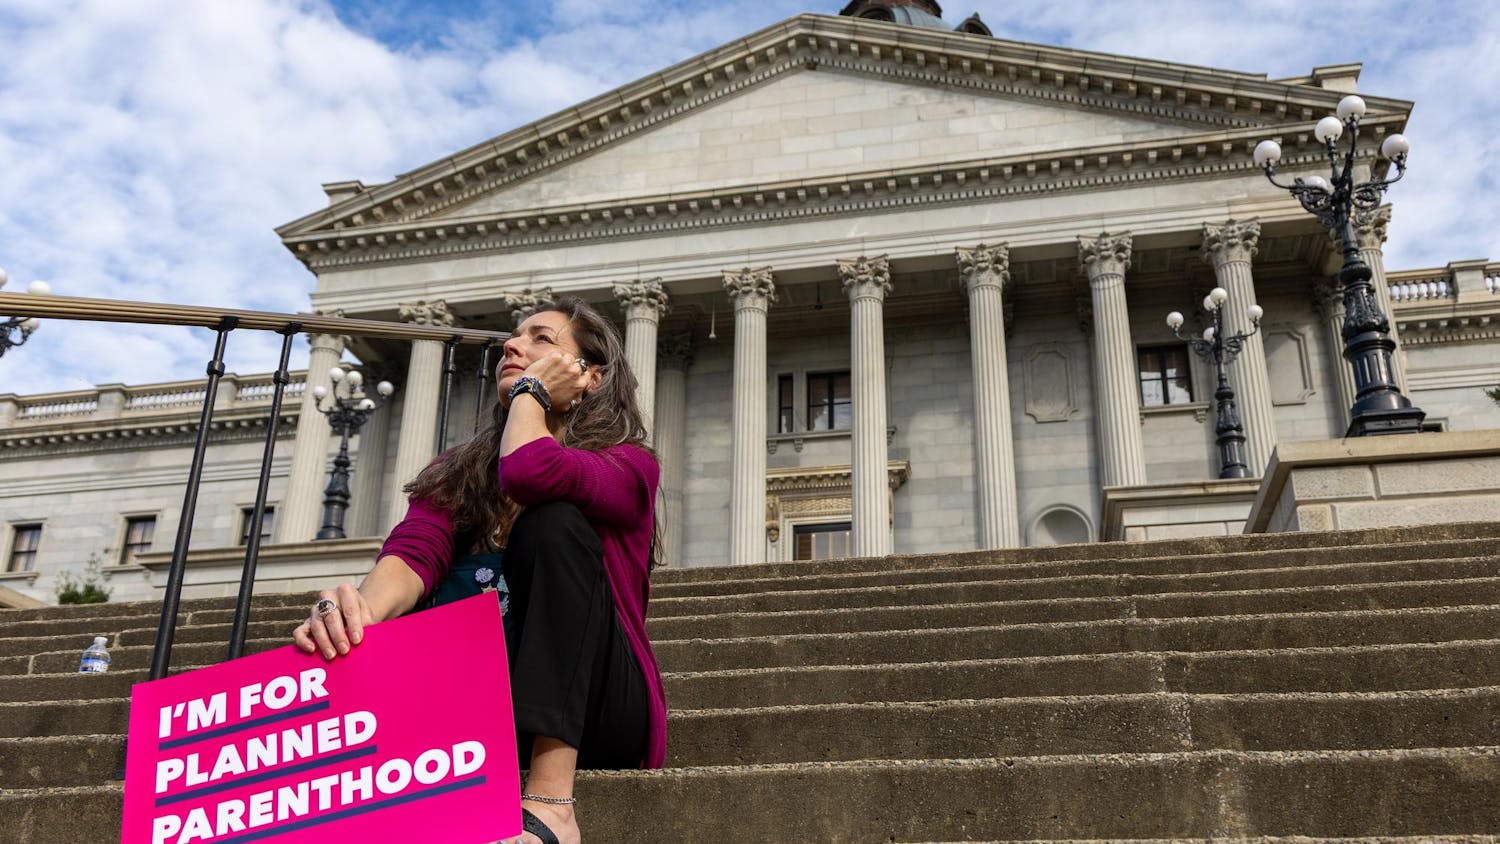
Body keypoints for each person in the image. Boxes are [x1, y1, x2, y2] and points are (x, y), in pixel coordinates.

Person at [292, 297, 666, 844]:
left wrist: (529, 397)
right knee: (346, 630)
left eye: (541, 338)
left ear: (588, 375)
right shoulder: (457, 469)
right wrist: (357, 613)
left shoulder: (629, 463)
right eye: (513, 337)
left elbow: (533, 472)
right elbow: (415, 551)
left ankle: (552, 803)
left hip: (599, 709)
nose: (511, 345)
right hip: (484, 696)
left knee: (552, 522)